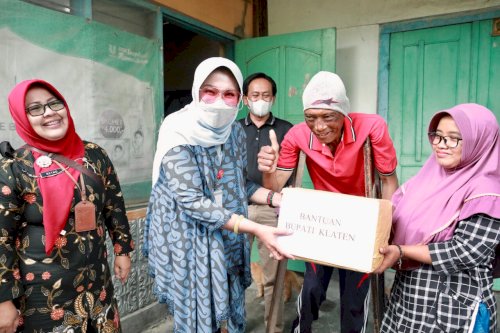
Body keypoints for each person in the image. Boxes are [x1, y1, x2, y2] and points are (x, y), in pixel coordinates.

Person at [143, 57, 293, 333]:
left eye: (228, 94)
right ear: (196, 92)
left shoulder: (234, 132)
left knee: (229, 314)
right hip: (189, 240)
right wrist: (256, 228)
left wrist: (276, 198)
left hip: (226, 235)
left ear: (238, 100)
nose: (219, 101)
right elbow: (191, 201)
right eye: (210, 92)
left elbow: (239, 185)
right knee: (200, 317)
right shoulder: (177, 130)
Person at [257, 71, 399, 333]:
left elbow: (389, 182)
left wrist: (385, 232)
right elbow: (274, 186)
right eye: (311, 117)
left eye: (328, 117)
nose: (319, 126)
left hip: (361, 222)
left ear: (343, 113)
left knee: (353, 298)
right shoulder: (298, 135)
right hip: (322, 218)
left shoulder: (372, 127)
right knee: (311, 288)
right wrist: (268, 169)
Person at [0, 79, 134, 333]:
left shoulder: (95, 155)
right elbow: (1, 238)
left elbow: (114, 205)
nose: (49, 112)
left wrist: (122, 249)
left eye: (54, 103)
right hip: (43, 296)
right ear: (22, 117)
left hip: (98, 285)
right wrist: (3, 300)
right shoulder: (14, 168)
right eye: (35, 108)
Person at [374, 103, 500, 332]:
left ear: (478, 141)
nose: (441, 145)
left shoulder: (487, 190)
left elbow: (465, 251)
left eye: (453, 138)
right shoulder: (428, 178)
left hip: (451, 305)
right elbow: (397, 219)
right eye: (437, 136)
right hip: (408, 295)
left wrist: (402, 251)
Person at [239, 72, 293, 332]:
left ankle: (274, 328)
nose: (261, 100)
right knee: (232, 274)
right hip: (236, 209)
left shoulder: (286, 130)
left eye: (266, 95)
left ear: (273, 98)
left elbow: (294, 173)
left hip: (271, 210)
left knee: (273, 277)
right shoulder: (232, 130)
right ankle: (232, 324)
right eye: (255, 95)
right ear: (245, 99)